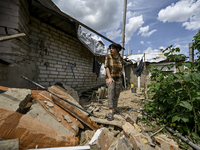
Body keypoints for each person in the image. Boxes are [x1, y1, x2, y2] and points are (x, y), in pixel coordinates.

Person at [105, 43, 124, 121]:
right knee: (111, 93)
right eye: (110, 48)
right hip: (111, 78)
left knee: (116, 94)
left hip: (119, 79)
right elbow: (106, 67)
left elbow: (123, 64)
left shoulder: (120, 58)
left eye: (113, 48)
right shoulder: (108, 57)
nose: (111, 50)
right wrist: (109, 78)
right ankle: (110, 110)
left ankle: (114, 109)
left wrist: (122, 71)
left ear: (117, 50)